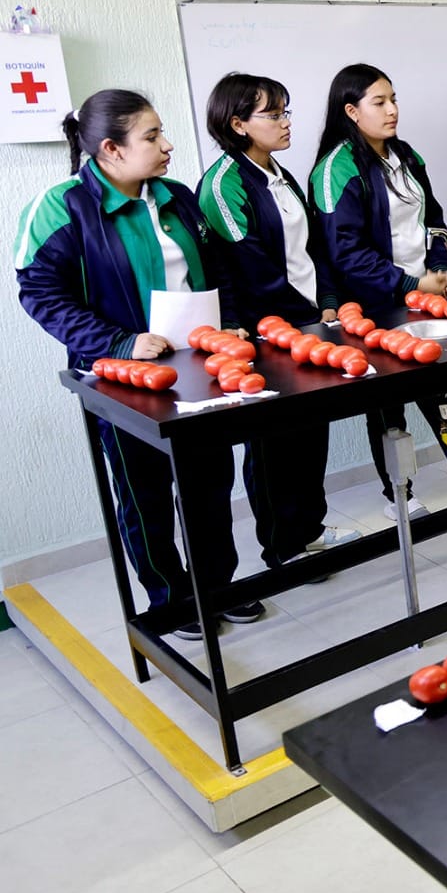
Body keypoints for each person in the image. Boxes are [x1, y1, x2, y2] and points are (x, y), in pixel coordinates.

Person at [15, 90, 251, 639]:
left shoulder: (177, 197)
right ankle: (171, 600)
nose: (167, 145)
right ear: (110, 150)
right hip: (121, 378)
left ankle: (218, 586)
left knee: (210, 482)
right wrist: (118, 342)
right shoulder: (61, 206)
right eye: (151, 136)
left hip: (200, 368)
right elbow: (40, 294)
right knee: (144, 492)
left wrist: (232, 321)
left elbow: (217, 270)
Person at [197, 73, 360, 568]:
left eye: (287, 110)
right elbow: (250, 270)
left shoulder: (282, 175)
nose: (287, 122)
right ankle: (282, 546)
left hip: (310, 323)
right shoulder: (223, 183)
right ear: (239, 123)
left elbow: (313, 250)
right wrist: (306, 317)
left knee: (311, 433)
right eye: (274, 114)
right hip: (270, 330)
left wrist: (329, 302)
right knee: (274, 445)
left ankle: (308, 528)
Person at [312, 63, 447, 522]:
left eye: (394, 99)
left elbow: (433, 218)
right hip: (376, 304)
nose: (393, 110)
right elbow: (346, 253)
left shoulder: (407, 155)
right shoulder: (336, 168)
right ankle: (398, 491)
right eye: (380, 102)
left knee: (445, 390)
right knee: (387, 405)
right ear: (351, 111)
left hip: (426, 298)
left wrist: (436, 268)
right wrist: (411, 283)